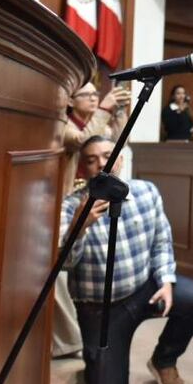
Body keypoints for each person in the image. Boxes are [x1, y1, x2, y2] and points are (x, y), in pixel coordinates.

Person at [62, 136, 193, 384]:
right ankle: (95, 362)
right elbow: (65, 264)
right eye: (91, 159)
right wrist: (79, 227)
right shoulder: (71, 207)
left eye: (108, 155)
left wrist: (165, 281)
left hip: (145, 290)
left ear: (119, 158)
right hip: (101, 309)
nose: (101, 164)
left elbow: (161, 242)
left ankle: (163, 360)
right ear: (82, 168)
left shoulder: (146, 191)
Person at [54, 81, 130, 357]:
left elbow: (113, 142)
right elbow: (81, 141)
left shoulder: (99, 121)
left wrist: (119, 112)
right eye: (88, 95)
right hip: (66, 201)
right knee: (61, 264)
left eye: (97, 95)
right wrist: (104, 109)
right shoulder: (65, 124)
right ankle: (71, 340)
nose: (94, 99)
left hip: (96, 197)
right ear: (72, 101)